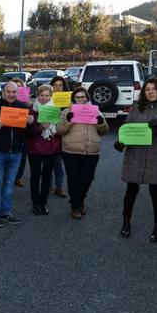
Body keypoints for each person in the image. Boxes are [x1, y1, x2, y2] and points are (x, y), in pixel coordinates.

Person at [114, 78, 157, 242]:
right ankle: (126, 222)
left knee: (156, 193)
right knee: (130, 191)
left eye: (153, 89)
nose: (150, 91)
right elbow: (127, 131)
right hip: (135, 156)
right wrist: (121, 143)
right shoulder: (136, 109)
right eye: (147, 89)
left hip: (156, 158)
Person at [0, 81, 33, 227]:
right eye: (8, 91)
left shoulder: (23, 107)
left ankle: (6, 212)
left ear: (18, 93)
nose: (11, 94)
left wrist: (30, 122)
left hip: (16, 152)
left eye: (14, 92)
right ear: (3, 91)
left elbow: (28, 132)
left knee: (9, 184)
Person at [57, 86, 109, 220]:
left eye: (83, 97)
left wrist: (101, 123)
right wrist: (68, 120)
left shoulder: (95, 110)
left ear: (87, 98)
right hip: (71, 151)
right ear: (73, 98)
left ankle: (79, 200)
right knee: (73, 179)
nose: (80, 99)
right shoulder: (66, 111)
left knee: (87, 179)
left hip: (91, 151)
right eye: (77, 97)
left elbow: (104, 131)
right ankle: (76, 206)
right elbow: (59, 131)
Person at [25, 85, 62, 216]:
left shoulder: (57, 109)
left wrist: (56, 126)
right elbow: (27, 131)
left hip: (51, 148)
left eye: (47, 95)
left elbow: (61, 130)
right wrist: (40, 127)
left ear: (51, 96)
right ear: (37, 95)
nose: (44, 98)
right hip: (35, 148)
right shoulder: (31, 110)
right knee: (35, 177)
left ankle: (43, 202)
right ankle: (35, 203)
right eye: (41, 95)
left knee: (47, 177)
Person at [49, 75, 69, 198]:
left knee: (58, 163)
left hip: (63, 135)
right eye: (55, 85)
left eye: (60, 85)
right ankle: (49, 184)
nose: (58, 88)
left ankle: (59, 187)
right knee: (49, 162)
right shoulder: (47, 98)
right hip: (49, 134)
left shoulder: (68, 100)